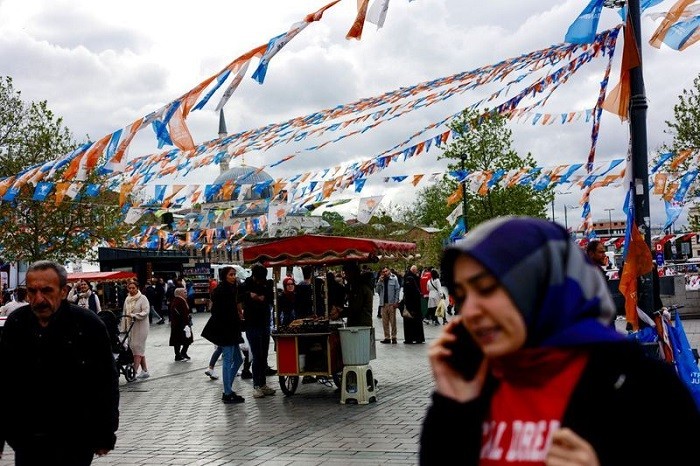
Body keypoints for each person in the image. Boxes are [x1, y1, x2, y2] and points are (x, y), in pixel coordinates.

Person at [419, 216, 700, 465]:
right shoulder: (477, 382)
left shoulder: (643, 388)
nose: (470, 311)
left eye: (487, 288)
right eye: (463, 294)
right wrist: (451, 402)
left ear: (542, 283)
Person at [0, 260, 119, 465]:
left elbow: (105, 382)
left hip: (74, 436)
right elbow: (4, 382)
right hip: (27, 436)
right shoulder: (17, 323)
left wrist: (105, 433)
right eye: (32, 291)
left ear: (63, 291)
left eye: (46, 291)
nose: (38, 299)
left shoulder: (88, 325)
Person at [201, 266, 245, 404]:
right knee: (228, 360)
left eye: (234, 274)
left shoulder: (232, 288)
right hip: (226, 330)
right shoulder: (222, 290)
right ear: (225, 276)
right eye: (231, 274)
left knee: (238, 359)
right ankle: (227, 392)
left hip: (232, 329)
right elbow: (218, 311)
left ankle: (228, 389)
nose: (233, 277)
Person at [240, 263, 277, 398]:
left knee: (264, 355)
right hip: (252, 324)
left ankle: (263, 384)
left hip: (264, 323)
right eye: (259, 279)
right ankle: (257, 385)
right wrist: (251, 295)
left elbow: (267, 298)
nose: (260, 282)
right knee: (257, 355)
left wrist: (255, 296)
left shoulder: (267, 284)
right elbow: (243, 296)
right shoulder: (246, 284)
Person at [122, 279, 151, 379]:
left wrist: (135, 315)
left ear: (137, 288)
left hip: (141, 326)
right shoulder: (127, 299)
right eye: (129, 288)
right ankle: (145, 370)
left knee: (137, 347)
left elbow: (146, 311)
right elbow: (124, 313)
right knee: (136, 348)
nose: (131, 290)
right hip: (131, 327)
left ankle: (133, 372)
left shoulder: (143, 298)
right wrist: (124, 326)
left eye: (133, 288)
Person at [375, 267, 401, 344]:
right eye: (383, 272)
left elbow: (397, 290)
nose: (385, 273)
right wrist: (380, 281)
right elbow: (376, 290)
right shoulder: (381, 280)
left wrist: (396, 301)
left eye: (386, 271)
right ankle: (387, 337)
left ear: (389, 271)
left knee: (393, 321)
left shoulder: (394, 279)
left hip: (391, 304)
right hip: (383, 304)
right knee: (385, 322)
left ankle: (394, 337)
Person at [169, 287, 193, 361]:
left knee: (178, 340)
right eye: (185, 292)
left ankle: (179, 354)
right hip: (181, 324)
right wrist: (186, 321)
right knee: (187, 338)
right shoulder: (180, 301)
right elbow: (182, 313)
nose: (186, 294)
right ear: (180, 293)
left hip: (178, 324)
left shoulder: (178, 300)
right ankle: (181, 353)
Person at [401, 275, 425, 344]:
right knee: (416, 325)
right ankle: (417, 338)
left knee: (410, 325)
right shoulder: (416, 290)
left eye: (409, 282)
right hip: (414, 311)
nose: (407, 283)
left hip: (411, 311)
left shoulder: (412, 291)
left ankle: (410, 339)